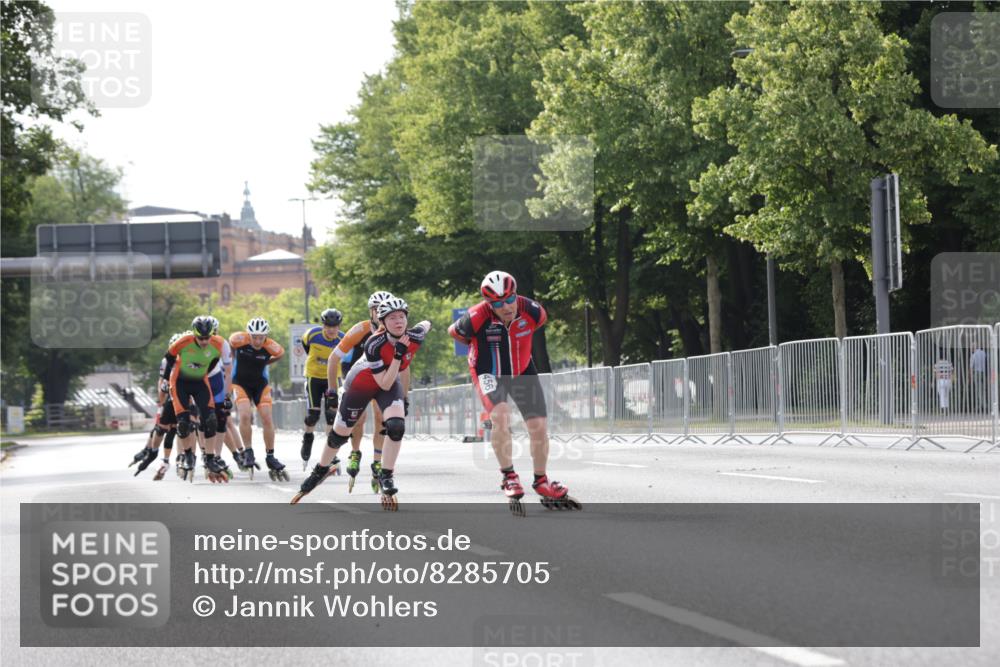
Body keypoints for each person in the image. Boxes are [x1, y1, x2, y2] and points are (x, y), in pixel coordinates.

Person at [449, 270, 580, 514]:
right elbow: (454, 332)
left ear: (516, 295)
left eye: (509, 299)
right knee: (501, 415)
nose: (506, 306)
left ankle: (541, 481)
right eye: (497, 303)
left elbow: (537, 324)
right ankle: (508, 476)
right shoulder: (476, 316)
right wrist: (478, 349)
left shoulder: (533, 311)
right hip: (488, 373)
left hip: (521, 370)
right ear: (489, 303)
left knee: (539, 426)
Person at [294, 296, 430, 509]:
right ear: (379, 320)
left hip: (389, 378)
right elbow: (380, 381)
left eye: (402, 316)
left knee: (396, 426)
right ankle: (320, 469)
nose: (398, 321)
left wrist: (404, 397)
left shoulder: (413, 335)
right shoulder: (372, 341)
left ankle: (385, 474)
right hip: (362, 382)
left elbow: (418, 339)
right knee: (340, 435)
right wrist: (331, 391)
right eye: (390, 317)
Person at [326, 291, 396, 493]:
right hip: (356, 375)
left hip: (380, 375)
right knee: (360, 417)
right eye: (377, 309)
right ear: (371, 312)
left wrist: (404, 395)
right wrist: (332, 391)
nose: (381, 312)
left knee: (382, 416)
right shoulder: (360, 330)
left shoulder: (395, 329)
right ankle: (355, 452)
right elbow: (333, 359)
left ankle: (377, 461)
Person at [162, 317, 229, 482]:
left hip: (200, 382)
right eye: (201, 338)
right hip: (180, 383)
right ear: (194, 334)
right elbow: (169, 357)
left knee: (211, 420)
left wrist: (202, 371)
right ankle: (187, 455)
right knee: (184, 424)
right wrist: (165, 379)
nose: (205, 341)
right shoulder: (184, 342)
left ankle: (210, 458)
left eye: (207, 338)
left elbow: (214, 362)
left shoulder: (219, 344)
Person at [230, 317, 287, 480]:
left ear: (266, 336)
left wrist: (266, 362)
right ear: (249, 335)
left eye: (261, 337)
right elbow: (230, 345)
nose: (257, 340)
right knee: (245, 415)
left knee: (267, 418)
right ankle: (248, 451)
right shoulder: (238, 340)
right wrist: (235, 359)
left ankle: (270, 455)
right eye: (254, 336)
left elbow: (280, 354)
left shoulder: (272, 347)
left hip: (260, 384)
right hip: (240, 383)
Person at [299, 308, 344, 470]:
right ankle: (308, 438)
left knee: (332, 415)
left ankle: (330, 453)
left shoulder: (343, 339)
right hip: (314, 377)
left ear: (339, 326)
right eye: (328, 326)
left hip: (332, 379)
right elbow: (305, 347)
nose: (331, 330)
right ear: (323, 325)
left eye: (335, 326)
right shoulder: (312, 335)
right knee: (313, 415)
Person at [969, 344, 988, 413]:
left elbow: (971, 368)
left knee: (979, 391)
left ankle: (985, 406)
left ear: (974, 347)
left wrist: (970, 377)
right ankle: (979, 406)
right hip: (983, 373)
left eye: (971, 347)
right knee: (984, 390)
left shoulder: (973, 355)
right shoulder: (984, 353)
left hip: (976, 373)